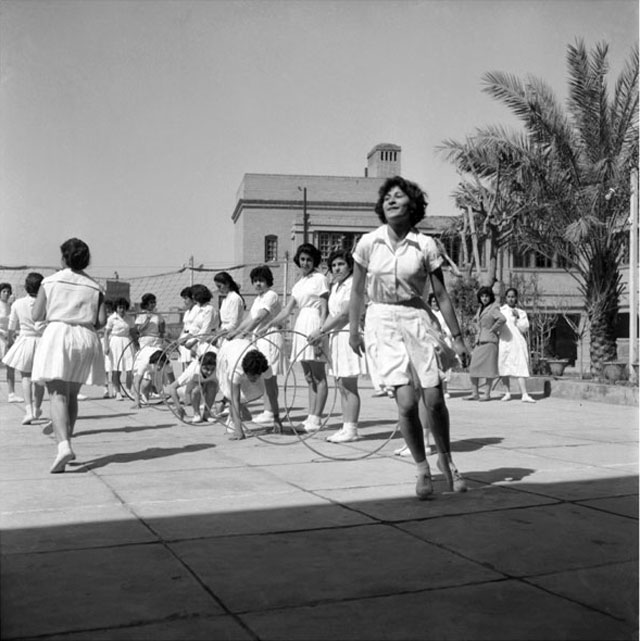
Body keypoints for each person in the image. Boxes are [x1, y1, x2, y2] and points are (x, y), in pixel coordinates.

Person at [349, 176, 470, 500]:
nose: (390, 201)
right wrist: (353, 330)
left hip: (417, 318)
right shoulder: (368, 243)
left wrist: (457, 338)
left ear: (412, 205)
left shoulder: (425, 245)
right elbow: (358, 290)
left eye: (398, 196)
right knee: (405, 402)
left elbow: (442, 295)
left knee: (433, 399)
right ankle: (422, 469)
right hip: (381, 322)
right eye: (387, 196)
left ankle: (448, 462)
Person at [31, 238, 106, 473]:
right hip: (85, 338)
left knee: (57, 394)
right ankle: (66, 443)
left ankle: (63, 446)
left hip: (59, 334)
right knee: (72, 394)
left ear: (63, 257)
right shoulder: (95, 286)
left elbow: (36, 314)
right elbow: (101, 321)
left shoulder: (50, 281)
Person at [266, 243, 329, 433]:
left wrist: (322, 330)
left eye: (309, 259)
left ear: (314, 261)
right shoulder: (299, 283)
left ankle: (317, 418)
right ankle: (310, 417)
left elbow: (325, 307)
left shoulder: (320, 278)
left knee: (318, 375)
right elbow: (287, 310)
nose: (305, 263)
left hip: (314, 322)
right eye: (302, 259)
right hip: (301, 322)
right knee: (309, 376)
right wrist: (270, 323)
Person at [307, 249, 367, 443]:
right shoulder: (336, 286)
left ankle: (352, 429)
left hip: (349, 333)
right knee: (341, 383)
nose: (337, 268)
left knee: (349, 383)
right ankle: (346, 426)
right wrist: (322, 331)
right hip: (336, 336)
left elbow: (344, 313)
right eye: (333, 265)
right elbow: (333, 313)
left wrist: (322, 331)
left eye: (340, 264)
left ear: (349, 265)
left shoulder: (353, 285)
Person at [226, 265, 285, 426]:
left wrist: (244, 333)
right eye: (255, 281)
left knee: (269, 377)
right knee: (264, 377)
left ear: (268, 281)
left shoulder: (271, 295)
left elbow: (259, 318)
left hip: (270, 338)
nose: (258, 284)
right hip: (259, 339)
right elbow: (249, 318)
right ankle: (268, 410)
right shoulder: (258, 298)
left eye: (261, 281)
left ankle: (271, 411)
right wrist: (236, 331)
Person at [216, 337, 283, 440]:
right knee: (230, 393)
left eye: (257, 376)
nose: (254, 379)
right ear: (245, 371)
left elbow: (271, 393)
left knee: (259, 390)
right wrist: (239, 430)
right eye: (252, 376)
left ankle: (238, 412)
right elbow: (235, 398)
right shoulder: (236, 368)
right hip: (227, 353)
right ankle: (234, 419)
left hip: (244, 348)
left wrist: (277, 418)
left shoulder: (265, 367)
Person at [2, 272, 46, 424]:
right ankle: (37, 408)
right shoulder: (46, 303)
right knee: (40, 378)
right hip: (42, 341)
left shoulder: (17, 304)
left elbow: (11, 327)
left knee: (26, 377)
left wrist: (9, 342)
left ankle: (29, 410)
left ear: (26, 287)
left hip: (25, 340)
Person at [463, 286, 506, 402]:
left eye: (486, 296)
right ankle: (475, 393)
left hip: (489, 341)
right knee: (473, 367)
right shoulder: (481, 308)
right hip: (479, 341)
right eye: (482, 296)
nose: (484, 298)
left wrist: (493, 329)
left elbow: (502, 319)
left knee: (488, 370)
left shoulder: (493, 307)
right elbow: (477, 321)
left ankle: (486, 394)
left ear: (490, 296)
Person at [498, 287, 536, 403]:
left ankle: (524, 394)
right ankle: (507, 392)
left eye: (513, 297)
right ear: (505, 298)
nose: (511, 299)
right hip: (505, 342)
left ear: (516, 298)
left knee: (521, 366)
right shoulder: (501, 310)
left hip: (518, 343)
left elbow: (524, 328)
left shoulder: (521, 313)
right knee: (504, 366)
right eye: (508, 297)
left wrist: (518, 317)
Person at [167, 351, 218, 424]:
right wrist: (178, 406)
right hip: (188, 393)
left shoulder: (218, 369)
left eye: (212, 369)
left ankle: (207, 414)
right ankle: (196, 414)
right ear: (200, 364)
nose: (209, 372)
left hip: (205, 392)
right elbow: (172, 387)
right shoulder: (192, 370)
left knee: (212, 385)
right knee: (197, 388)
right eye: (206, 369)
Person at [103, 297, 136, 401]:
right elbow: (106, 333)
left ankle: (128, 390)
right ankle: (117, 392)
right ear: (116, 308)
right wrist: (106, 346)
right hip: (115, 343)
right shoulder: (111, 319)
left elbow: (133, 332)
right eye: (120, 307)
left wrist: (136, 344)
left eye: (123, 307)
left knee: (130, 369)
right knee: (116, 370)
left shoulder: (130, 318)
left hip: (127, 342)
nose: (122, 310)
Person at [0, 282, 22, 403]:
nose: (6, 294)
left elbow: (14, 323)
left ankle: (11, 394)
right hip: (1, 338)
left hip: (8, 339)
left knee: (11, 366)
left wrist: (14, 333)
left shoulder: (12, 306)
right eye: (4, 291)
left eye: (8, 291)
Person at [184, 284, 218, 357]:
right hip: (199, 342)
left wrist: (193, 342)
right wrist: (186, 338)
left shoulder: (209, 309)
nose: (192, 297)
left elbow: (205, 329)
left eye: (193, 295)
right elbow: (194, 327)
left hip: (209, 342)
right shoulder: (197, 308)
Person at [212, 271, 245, 341]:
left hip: (232, 335)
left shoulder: (235, 298)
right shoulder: (225, 299)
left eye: (219, 286)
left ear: (227, 284)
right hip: (223, 333)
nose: (218, 289)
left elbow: (234, 323)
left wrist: (219, 334)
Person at [177, 287, 198, 373]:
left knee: (193, 365)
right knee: (186, 365)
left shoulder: (198, 310)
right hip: (184, 338)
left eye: (186, 298)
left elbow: (197, 329)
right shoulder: (187, 312)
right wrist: (179, 339)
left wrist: (187, 339)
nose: (185, 301)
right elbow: (184, 327)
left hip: (192, 339)